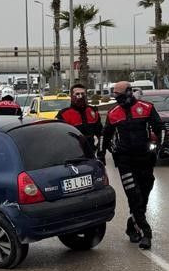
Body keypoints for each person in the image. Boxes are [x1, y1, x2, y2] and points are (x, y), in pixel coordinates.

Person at [100, 80, 163, 250]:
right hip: (125, 161)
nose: (117, 99)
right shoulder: (113, 113)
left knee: (144, 193)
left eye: (119, 95)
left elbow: (160, 128)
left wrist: (158, 147)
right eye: (115, 96)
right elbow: (104, 136)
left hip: (145, 158)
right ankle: (146, 233)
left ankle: (131, 226)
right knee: (134, 195)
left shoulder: (146, 107)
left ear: (128, 92)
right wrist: (103, 155)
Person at [58, 84, 103, 148]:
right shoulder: (63, 114)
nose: (80, 96)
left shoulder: (93, 111)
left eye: (83, 94)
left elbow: (99, 132)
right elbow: (61, 136)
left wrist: (100, 150)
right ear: (71, 96)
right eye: (77, 94)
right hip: (74, 151)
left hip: (91, 151)